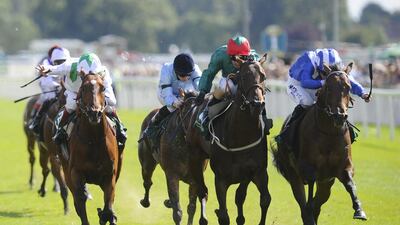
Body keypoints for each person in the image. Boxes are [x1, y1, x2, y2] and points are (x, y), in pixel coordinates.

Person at [276, 48, 370, 146]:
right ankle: (286, 133)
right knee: (307, 102)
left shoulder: (338, 66)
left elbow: (350, 82)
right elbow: (305, 82)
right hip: (298, 85)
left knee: (332, 103)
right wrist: (326, 82)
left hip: (318, 84)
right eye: (324, 73)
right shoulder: (309, 60)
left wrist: (363, 93)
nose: (326, 75)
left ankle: (348, 130)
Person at [36, 53, 127, 150]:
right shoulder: (70, 65)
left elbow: (107, 90)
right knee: (71, 105)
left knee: (111, 103)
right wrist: (45, 69)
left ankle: (120, 128)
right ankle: (60, 130)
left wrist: (104, 100)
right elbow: (56, 69)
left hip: (95, 92)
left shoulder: (103, 71)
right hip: (74, 91)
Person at [194, 35, 271, 134]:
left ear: (247, 55)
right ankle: (205, 116)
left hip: (245, 80)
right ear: (228, 54)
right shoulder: (220, 55)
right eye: (233, 57)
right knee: (226, 88)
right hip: (227, 79)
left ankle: (264, 119)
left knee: (257, 93)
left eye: (242, 57)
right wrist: (203, 91)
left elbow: (256, 77)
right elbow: (209, 74)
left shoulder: (253, 57)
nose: (237, 61)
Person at [141, 53, 201, 145]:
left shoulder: (194, 68)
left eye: (188, 75)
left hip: (187, 94)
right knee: (172, 108)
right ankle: (151, 128)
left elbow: (200, 87)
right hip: (165, 94)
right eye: (182, 75)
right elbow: (167, 95)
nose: (186, 78)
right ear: (176, 72)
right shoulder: (166, 69)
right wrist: (174, 102)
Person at [28, 46, 70, 135]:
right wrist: (57, 86)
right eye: (59, 62)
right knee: (45, 99)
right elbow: (47, 81)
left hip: (63, 88)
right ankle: (36, 120)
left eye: (63, 61)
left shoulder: (68, 65)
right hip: (48, 87)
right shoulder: (46, 63)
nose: (61, 64)